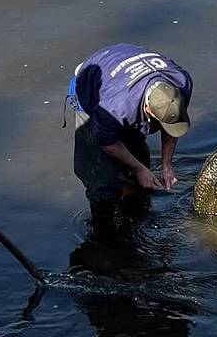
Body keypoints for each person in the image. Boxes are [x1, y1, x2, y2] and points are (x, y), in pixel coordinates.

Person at [67, 44, 192, 236]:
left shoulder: (181, 83)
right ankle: (104, 235)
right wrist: (139, 168)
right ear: (149, 110)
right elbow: (108, 143)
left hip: (125, 79)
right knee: (102, 180)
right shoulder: (115, 108)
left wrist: (167, 164)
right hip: (91, 90)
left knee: (140, 163)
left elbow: (172, 123)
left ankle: (135, 209)